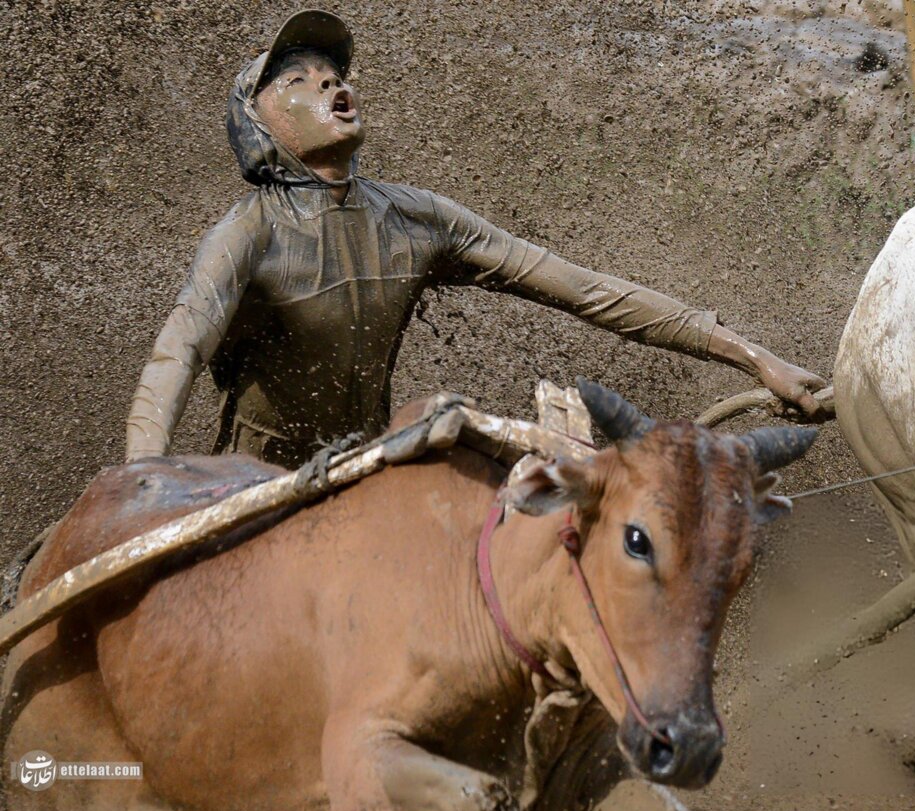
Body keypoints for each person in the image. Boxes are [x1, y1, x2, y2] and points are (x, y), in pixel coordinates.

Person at [126, 10, 826, 468]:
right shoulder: (246, 232)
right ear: (257, 127)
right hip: (253, 491)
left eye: (333, 73)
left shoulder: (416, 218)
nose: (330, 82)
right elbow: (177, 352)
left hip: (366, 474)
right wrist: (145, 482)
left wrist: (758, 360)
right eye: (297, 80)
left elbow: (587, 291)